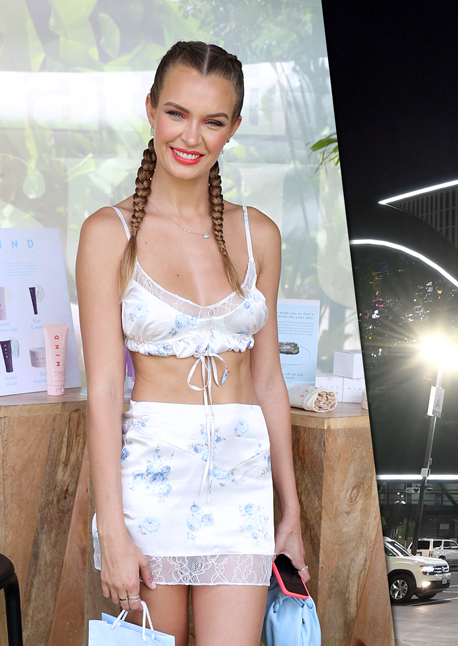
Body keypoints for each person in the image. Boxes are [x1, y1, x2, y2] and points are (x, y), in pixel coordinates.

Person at [78, 41, 307, 645]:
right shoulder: (109, 232)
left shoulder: (260, 235)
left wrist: (292, 514)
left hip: (243, 485)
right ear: (151, 109)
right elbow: (103, 390)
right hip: (151, 481)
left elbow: (267, 381)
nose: (191, 136)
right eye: (177, 113)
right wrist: (113, 530)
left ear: (233, 128)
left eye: (213, 121)